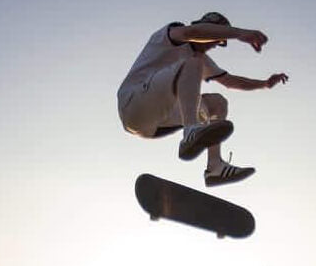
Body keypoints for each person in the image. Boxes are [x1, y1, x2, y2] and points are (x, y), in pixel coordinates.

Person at [117, 12, 289, 186]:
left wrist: (265, 84)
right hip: (132, 103)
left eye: (219, 43)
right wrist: (240, 33)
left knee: (218, 103)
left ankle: (214, 167)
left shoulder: (203, 60)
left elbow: (231, 81)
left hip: (153, 124)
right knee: (193, 63)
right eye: (215, 39)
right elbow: (191, 33)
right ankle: (190, 130)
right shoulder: (171, 36)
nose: (215, 45)